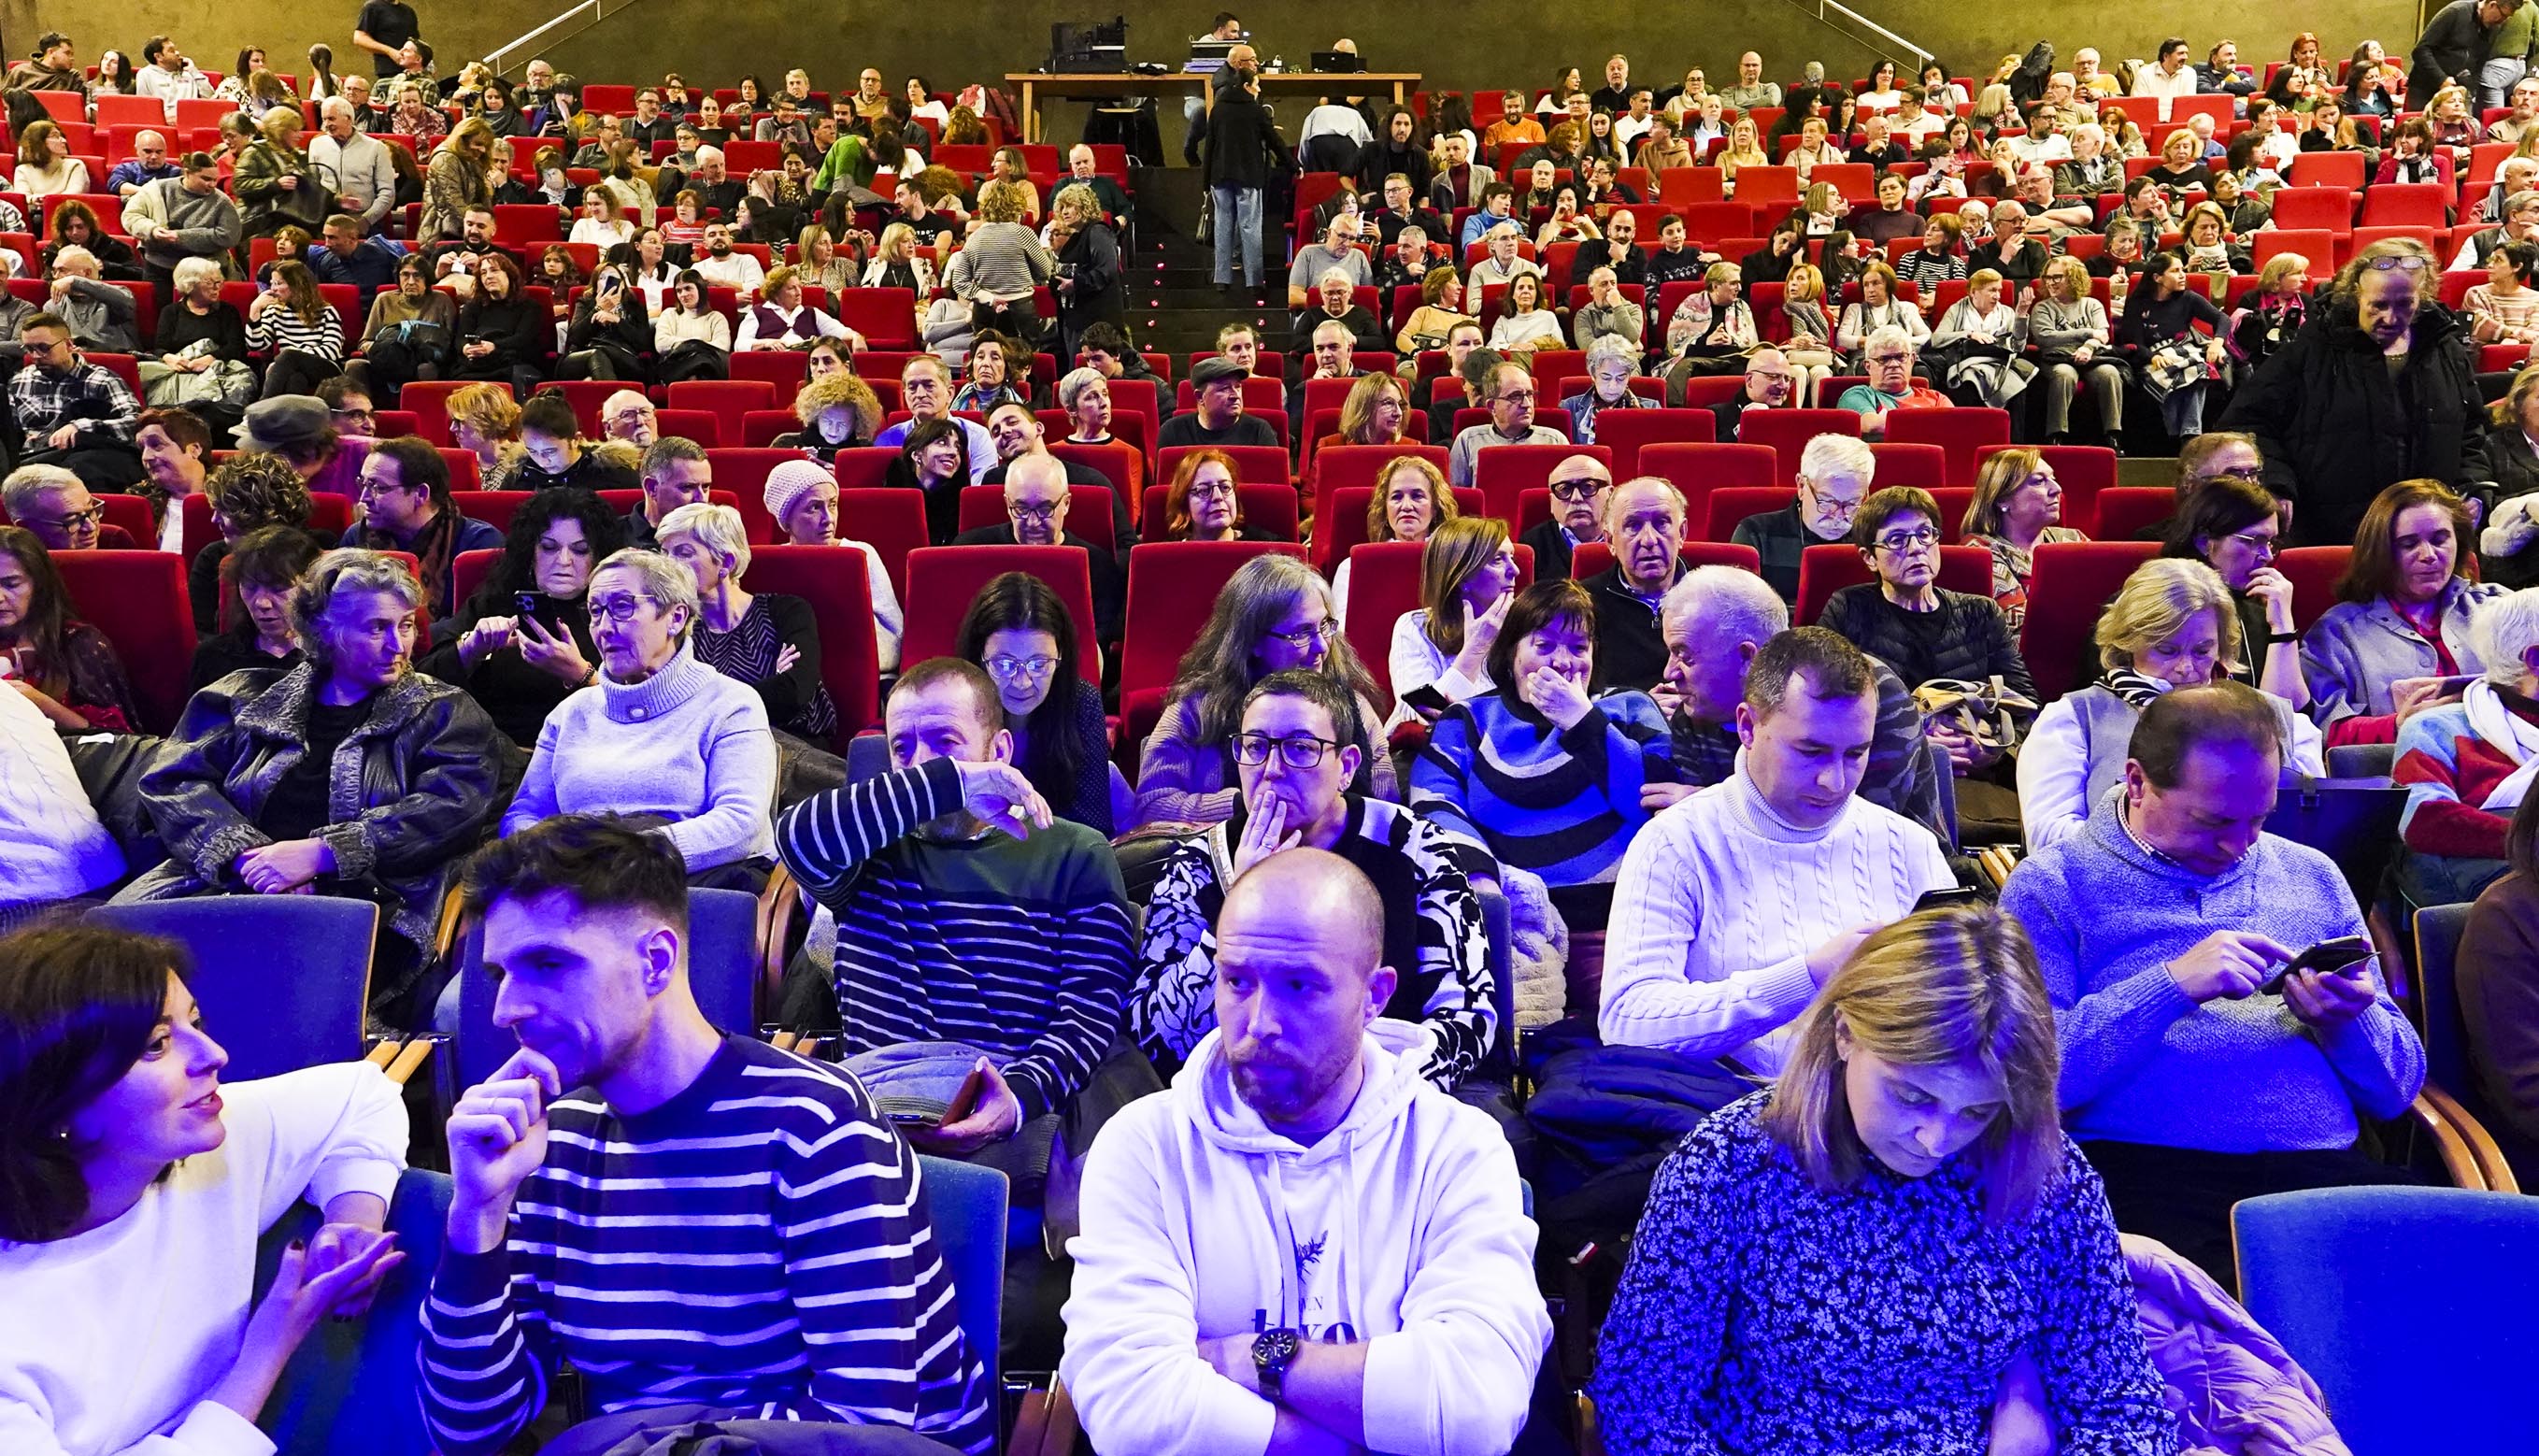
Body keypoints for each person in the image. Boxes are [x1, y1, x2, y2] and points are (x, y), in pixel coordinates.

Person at [419, 815, 991, 1454]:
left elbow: (863, 1420)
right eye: (501, 975)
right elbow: (469, 1430)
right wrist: (478, 1213)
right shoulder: (550, 1145)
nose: (507, 1010)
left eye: (548, 963)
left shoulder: (813, 1125)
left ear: (656, 961)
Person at [1592, 904, 2176, 1452]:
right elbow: (1644, 1406)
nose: (1937, 1139)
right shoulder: (1733, 1163)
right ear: (1845, 1034)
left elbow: (2119, 1402)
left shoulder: (2049, 1177)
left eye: (1977, 1111)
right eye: (1912, 1095)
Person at [1064, 845, 1548, 1455]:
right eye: (1237, 980)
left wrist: (1254, 1359)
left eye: (1300, 985)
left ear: (1373, 996)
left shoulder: (1458, 1149)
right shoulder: (1144, 1147)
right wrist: (1353, 1431)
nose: (1260, 1021)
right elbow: (1129, 1410)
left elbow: (1476, 1406)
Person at [2001, 681, 2429, 1287]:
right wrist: (2169, 986)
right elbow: (2032, 1086)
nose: (2239, 845)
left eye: (2259, 817)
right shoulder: (2054, 887)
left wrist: (2344, 1022)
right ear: (2136, 781)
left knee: (2466, 1294)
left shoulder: (2311, 875)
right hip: (2145, 1174)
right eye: (2211, 820)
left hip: (2318, 1170)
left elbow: (2396, 1093)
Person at [0, 922, 412, 1449]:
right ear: (57, 1101)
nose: (215, 1054)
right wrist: (269, 1344)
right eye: (157, 1044)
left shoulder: (196, 1151)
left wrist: (351, 1220)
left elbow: (362, 1096)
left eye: (194, 1021)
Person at [774, 656, 1134, 1171]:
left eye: (946, 743)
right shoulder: (870, 846)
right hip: (877, 1119)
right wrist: (947, 784)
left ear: (1000, 751)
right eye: (903, 748)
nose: (922, 763)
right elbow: (796, 839)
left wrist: (1016, 1100)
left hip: (1006, 1111)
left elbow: (1090, 1011)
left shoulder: (1076, 852)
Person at [121, 546, 500, 995]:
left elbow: (451, 809)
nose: (399, 646)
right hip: (228, 883)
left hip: (373, 900)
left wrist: (320, 855)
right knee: (109, 959)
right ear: (325, 630)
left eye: (405, 626)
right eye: (376, 629)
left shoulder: (444, 712)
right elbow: (172, 783)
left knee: (242, 982)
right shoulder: (244, 697)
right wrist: (250, 860)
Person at [1602, 627, 1955, 1074]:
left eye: (1855, 754)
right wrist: (1806, 978)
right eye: (1811, 751)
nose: (1835, 782)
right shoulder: (1676, 843)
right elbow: (1627, 1022)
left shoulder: (1910, 846)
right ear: (1748, 727)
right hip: (1735, 1111)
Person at [1128, 663, 1494, 1084]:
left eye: (1301, 748)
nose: (1272, 768)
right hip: (1242, 1098)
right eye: (1255, 746)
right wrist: (1236, 896)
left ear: (1347, 766)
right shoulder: (1198, 865)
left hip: (1391, 1090)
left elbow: (1468, 1014)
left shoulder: (1414, 846)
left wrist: (1374, 1096)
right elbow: (1157, 1038)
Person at [1413, 577, 1676, 937]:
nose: (1564, 662)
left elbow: (1651, 803)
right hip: (1514, 922)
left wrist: (1581, 721)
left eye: (1579, 647)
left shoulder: (1629, 706)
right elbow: (1434, 803)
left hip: (1620, 922)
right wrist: (1481, 879)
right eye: (1544, 645)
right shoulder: (1469, 719)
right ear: (1512, 653)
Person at [502, 547, 777, 889]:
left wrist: (626, 858)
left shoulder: (731, 704)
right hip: (577, 885)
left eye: (621, 607)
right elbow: (522, 816)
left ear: (676, 618)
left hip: (687, 887)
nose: (603, 627)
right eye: (595, 611)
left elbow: (740, 824)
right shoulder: (570, 714)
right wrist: (567, 857)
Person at [2022, 558, 2326, 850]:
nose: (2186, 667)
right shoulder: (2074, 719)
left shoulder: (2282, 720)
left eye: (2202, 650)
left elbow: (2314, 832)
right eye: (2166, 650)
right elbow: (2050, 840)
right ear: (2128, 642)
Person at [2222, 238, 2493, 547]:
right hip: (2332, 531)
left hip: (2426, 537)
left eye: (2405, 304)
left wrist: (2474, 487)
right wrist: (2276, 484)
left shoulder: (2446, 350)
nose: (2391, 318)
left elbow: (2472, 430)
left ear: (2424, 297)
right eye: (2378, 305)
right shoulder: (2311, 349)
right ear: (2356, 294)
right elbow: (2246, 423)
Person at [1137, 553, 1398, 827]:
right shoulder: (1197, 710)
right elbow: (1153, 806)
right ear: (1253, 642)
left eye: (1324, 626)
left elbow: (1386, 811)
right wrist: (1244, 805)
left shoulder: (1356, 709)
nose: (1321, 645)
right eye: (1301, 633)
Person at [2301, 479, 2508, 758]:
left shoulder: (2498, 606)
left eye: (2439, 539)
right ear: (2381, 552)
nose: (2429, 555)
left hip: (2509, 766)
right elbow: (2323, 730)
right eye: (2409, 544)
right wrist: (2399, 724)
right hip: (2397, 777)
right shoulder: (2336, 632)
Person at [420, 489, 623, 752]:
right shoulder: (496, 600)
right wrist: (471, 649)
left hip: (584, 753)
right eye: (549, 547)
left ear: (599, 556)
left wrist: (580, 674)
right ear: (530, 552)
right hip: (486, 753)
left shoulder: (618, 612)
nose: (564, 561)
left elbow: (636, 713)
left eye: (580, 550)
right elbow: (424, 685)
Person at [955, 570, 1113, 836]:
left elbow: (1094, 825)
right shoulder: (955, 703)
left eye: (1039, 664)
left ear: (1060, 656)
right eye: (1005, 664)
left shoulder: (1081, 701)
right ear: (979, 657)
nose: (1022, 682)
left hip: (1056, 860)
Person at [950, 455, 1125, 647]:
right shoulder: (970, 551)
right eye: (1021, 508)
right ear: (1007, 504)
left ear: (1066, 504)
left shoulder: (1097, 564)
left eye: (1045, 509)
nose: (1033, 522)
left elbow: (1097, 642)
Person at [340, 437, 503, 620]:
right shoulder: (356, 537)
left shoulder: (480, 543)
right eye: (363, 484)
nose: (364, 498)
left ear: (421, 494)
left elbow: (472, 623)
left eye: (379, 487)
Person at [1382, 517, 1519, 730]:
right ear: (1462, 576)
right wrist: (1476, 647)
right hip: (1433, 752)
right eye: (1498, 560)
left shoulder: (1526, 626)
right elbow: (1419, 712)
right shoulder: (1416, 627)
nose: (1515, 571)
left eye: (1512, 557)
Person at [0, 526, 141, 735]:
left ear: (39, 585)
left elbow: (117, 738)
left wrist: (40, 703)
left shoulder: (79, 643)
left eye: (11, 584)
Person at [8, 312, 142, 491]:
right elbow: (9, 431)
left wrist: (81, 426)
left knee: (82, 468)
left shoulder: (102, 380)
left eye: (43, 347)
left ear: (69, 344)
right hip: (33, 461)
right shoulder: (20, 381)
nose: (36, 356)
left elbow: (136, 424)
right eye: (29, 349)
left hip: (84, 458)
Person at [1961, 448, 2090, 633]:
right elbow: (2019, 636)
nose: (2057, 489)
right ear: (2002, 499)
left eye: (2053, 479)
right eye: (2039, 482)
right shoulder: (1979, 551)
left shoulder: (2074, 539)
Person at [1733, 433, 1872, 605]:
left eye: (1852, 503)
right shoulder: (1756, 533)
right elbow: (1740, 610)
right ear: (1801, 486)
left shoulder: (1874, 538)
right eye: (1827, 501)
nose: (1839, 515)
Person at [1579, 477, 1690, 692]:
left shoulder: (1715, 596)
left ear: (1682, 533)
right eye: (1633, 525)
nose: (1649, 540)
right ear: (1610, 541)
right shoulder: (1583, 603)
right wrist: (1637, 705)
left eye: (1661, 523)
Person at [1332, 456, 1458, 623]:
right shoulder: (1353, 567)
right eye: (1396, 497)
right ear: (1385, 509)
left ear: (1435, 507)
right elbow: (1341, 634)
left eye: (1417, 496)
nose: (1406, 506)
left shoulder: (1455, 561)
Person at [1203, 53, 1283, 293]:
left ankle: (1221, 279)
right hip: (1248, 177)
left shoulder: (1218, 110)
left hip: (1220, 175)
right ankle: (1254, 281)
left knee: (1223, 225)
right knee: (1250, 227)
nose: (1258, 90)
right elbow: (1274, 141)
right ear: (1247, 86)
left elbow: (1210, 147)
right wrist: (1294, 165)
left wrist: (1205, 180)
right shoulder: (1256, 111)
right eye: (1257, 85)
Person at [1447, 360, 1566, 488]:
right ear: (1492, 406)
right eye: (1515, 396)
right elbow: (1457, 498)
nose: (1526, 404)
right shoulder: (1468, 440)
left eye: (1530, 394)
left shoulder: (1554, 441)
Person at [1834, 326, 1950, 439]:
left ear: (1912, 359)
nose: (1894, 364)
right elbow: (1872, 427)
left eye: (1901, 357)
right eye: (1884, 359)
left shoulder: (1937, 399)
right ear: (1868, 366)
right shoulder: (1856, 395)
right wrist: (1933, 423)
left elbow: (1954, 427)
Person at [0, 464, 133, 552]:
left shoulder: (115, 542)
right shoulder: (10, 569)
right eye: (72, 520)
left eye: (91, 511)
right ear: (27, 528)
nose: (90, 527)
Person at [1519, 452, 1611, 581]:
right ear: (1552, 502)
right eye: (1564, 489)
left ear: (1610, 494)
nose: (1576, 498)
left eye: (1588, 486)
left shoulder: (1628, 537)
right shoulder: (1532, 544)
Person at [1157, 449, 1276, 544]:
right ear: (1184, 502)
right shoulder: (1166, 557)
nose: (1218, 497)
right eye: (1204, 490)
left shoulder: (1268, 546)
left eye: (1225, 487)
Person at [1159, 354, 1278, 449]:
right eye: (1225, 389)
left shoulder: (1259, 431)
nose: (1235, 395)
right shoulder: (1173, 432)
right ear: (1200, 397)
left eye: (1238, 387)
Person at [1705, 347, 1798, 438]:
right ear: (1750, 379)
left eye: (1787, 379)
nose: (1783, 386)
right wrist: (1742, 430)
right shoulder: (1715, 416)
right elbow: (1708, 452)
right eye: (1773, 376)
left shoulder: (1794, 419)